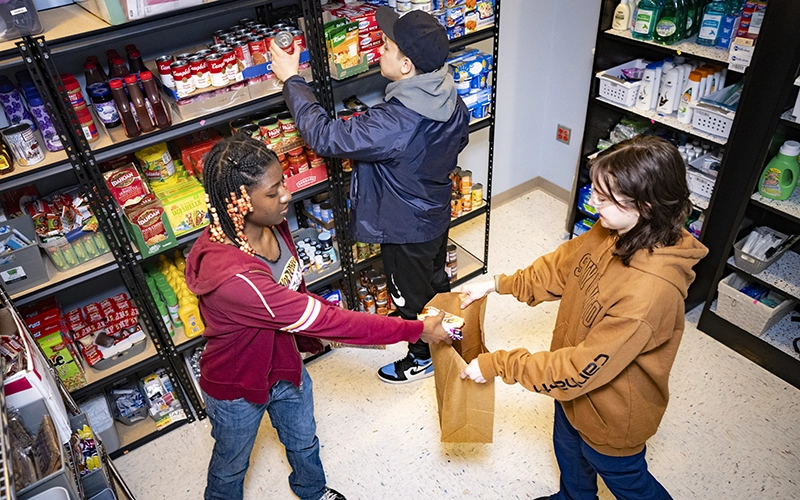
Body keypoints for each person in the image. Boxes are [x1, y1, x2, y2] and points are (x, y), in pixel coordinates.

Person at [185, 134, 450, 500]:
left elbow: (299, 293)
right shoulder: (236, 278)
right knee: (231, 465)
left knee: (304, 441)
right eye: (274, 190)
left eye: (283, 182)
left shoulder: (271, 225)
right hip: (237, 386)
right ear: (240, 201)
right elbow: (326, 319)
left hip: (285, 366)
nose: (287, 194)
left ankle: (311, 491)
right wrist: (415, 330)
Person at [458, 136, 709, 500]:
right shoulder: (615, 228)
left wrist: (499, 365)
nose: (593, 203)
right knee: (570, 456)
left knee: (629, 484)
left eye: (606, 199)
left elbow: (579, 367)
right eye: (595, 190)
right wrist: (498, 284)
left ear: (646, 204)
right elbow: (562, 267)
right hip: (572, 395)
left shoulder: (649, 294)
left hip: (611, 418)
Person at [270, 7, 470, 384]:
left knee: (408, 299)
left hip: (403, 226)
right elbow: (458, 139)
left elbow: (325, 136)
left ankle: (422, 356)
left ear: (407, 65)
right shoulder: (449, 94)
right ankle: (451, 337)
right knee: (435, 283)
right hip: (434, 211)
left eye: (386, 46)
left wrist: (292, 80)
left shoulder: (394, 122)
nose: (378, 50)